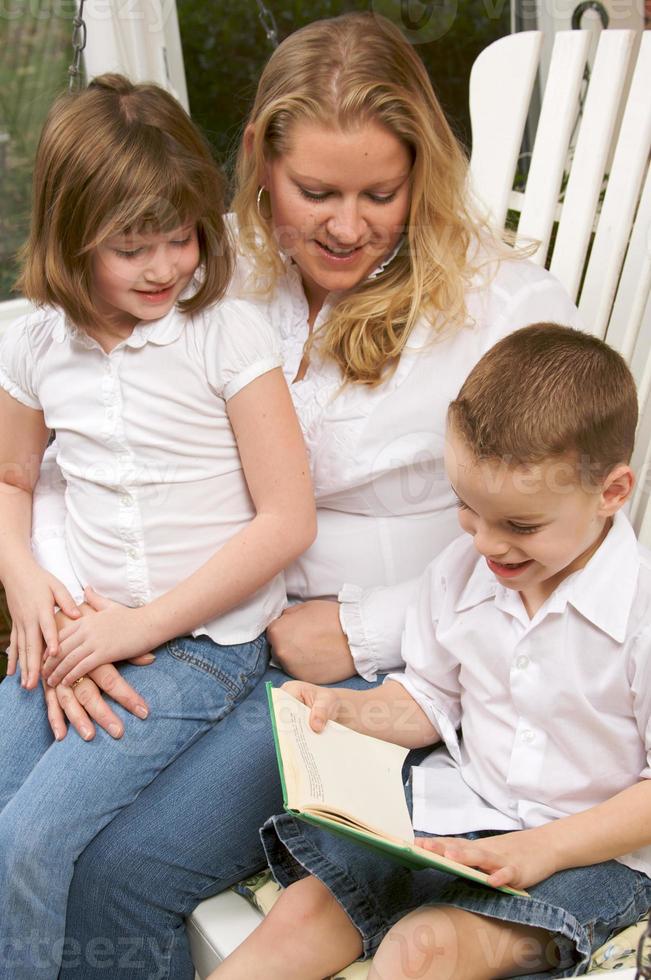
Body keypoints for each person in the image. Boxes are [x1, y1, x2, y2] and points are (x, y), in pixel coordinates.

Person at [4, 12, 582, 979]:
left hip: (352, 673)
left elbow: (562, 546)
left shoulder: (503, 309)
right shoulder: (201, 266)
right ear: (261, 166)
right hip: (186, 626)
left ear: (422, 174)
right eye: (314, 192)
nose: (346, 226)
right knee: (34, 831)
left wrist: (364, 627)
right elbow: (70, 447)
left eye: (379, 193)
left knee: (124, 868)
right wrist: (70, 598)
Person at [0, 74, 316, 980]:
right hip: (80, 634)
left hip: (198, 648)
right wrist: (23, 576)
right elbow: (12, 476)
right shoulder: (35, 345)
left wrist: (136, 628)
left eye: (179, 237)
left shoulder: (226, 334)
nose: (164, 267)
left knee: (30, 838)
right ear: (69, 239)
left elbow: (286, 519)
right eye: (131, 247)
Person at [216, 323, 651, 980]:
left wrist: (541, 848)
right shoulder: (465, 572)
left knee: (426, 946)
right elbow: (430, 696)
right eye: (466, 509)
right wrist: (343, 712)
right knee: (308, 908)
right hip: (464, 805)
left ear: (611, 493)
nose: (484, 543)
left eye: (518, 525)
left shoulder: (638, 614)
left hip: (595, 851)